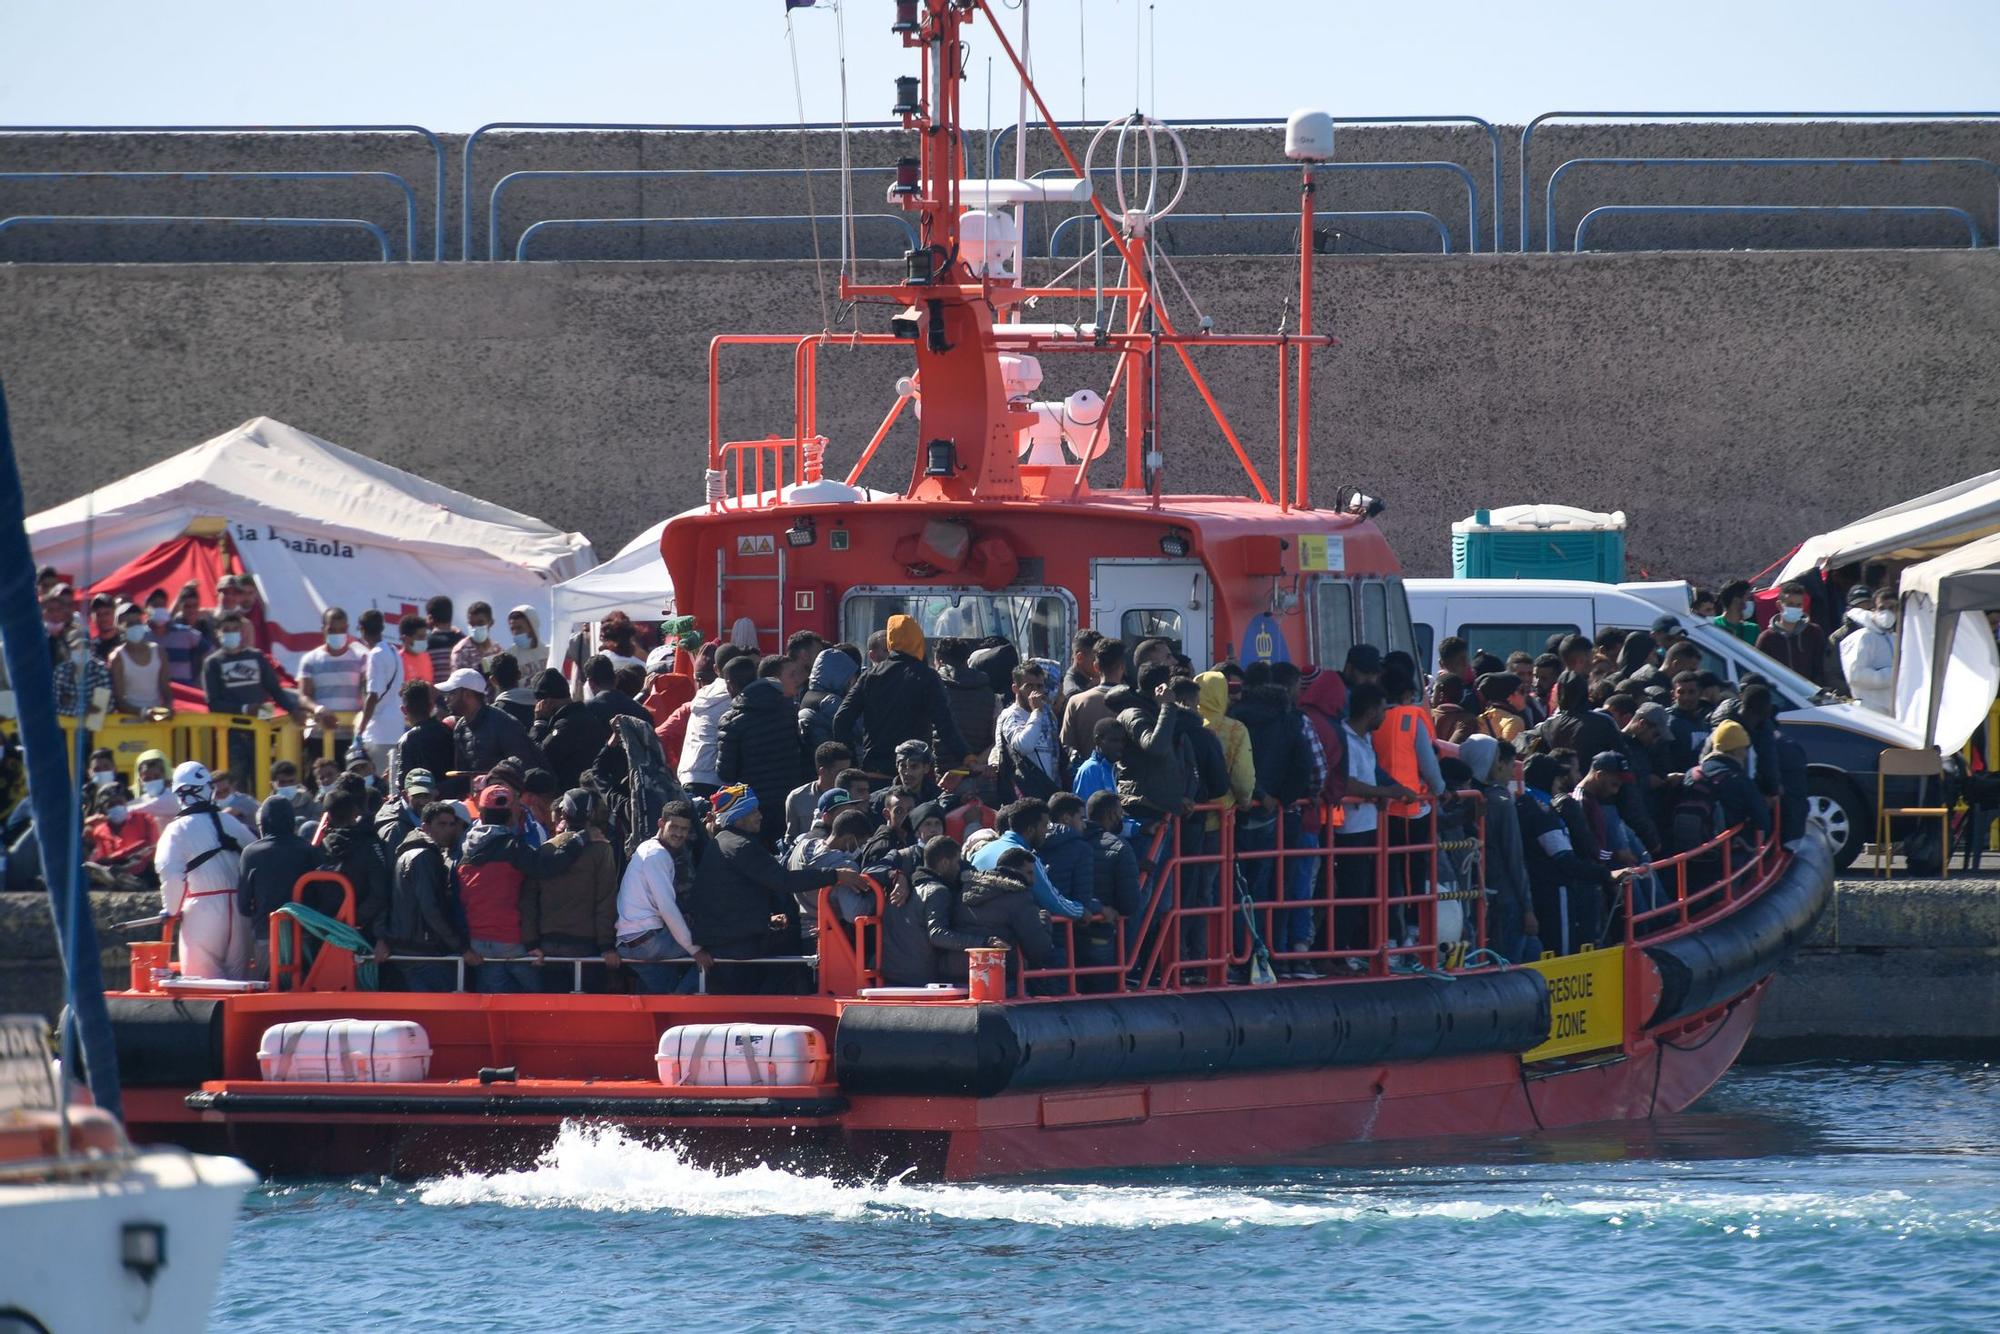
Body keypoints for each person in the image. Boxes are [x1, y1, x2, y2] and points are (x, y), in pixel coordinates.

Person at [683, 784, 862, 994]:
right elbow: (783, 880)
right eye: (753, 812)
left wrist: (765, 920)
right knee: (793, 943)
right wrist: (836, 875)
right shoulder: (741, 846)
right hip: (735, 945)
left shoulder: (723, 841)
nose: (760, 816)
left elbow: (733, 896)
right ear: (739, 818)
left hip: (726, 938)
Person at [454, 783, 591, 993]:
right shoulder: (513, 847)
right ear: (512, 814)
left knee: (496, 1002)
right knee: (538, 1000)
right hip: (512, 943)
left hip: (478, 944)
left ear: (480, 812)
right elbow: (546, 867)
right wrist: (579, 840)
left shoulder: (463, 849)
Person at [832, 615, 975, 775]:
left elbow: (841, 719)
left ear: (890, 641)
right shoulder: (927, 676)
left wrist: (851, 763)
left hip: (875, 770)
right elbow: (945, 724)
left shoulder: (869, 676)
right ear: (918, 640)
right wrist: (967, 758)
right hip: (914, 773)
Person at [155, 761, 258, 980]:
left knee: (202, 985)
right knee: (240, 984)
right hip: (241, 911)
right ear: (209, 788)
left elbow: (171, 874)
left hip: (203, 912)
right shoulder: (232, 823)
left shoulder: (176, 830)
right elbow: (255, 855)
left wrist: (171, 909)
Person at [520, 789, 621, 991]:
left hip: (548, 946)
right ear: (591, 814)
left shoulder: (546, 848)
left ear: (563, 814)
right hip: (586, 946)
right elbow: (606, 900)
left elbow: (528, 901)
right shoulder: (602, 850)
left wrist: (531, 943)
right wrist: (607, 946)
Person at [1516, 753, 1615, 957]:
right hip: (1552, 889)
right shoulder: (1542, 813)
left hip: (1535, 886)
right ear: (1547, 779)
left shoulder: (1522, 803)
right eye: (1557, 778)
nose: (1560, 783)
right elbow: (1565, 861)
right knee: (1561, 949)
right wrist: (1606, 875)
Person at [616, 801, 713, 993]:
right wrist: (695, 950)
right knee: (715, 947)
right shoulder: (657, 855)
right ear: (661, 823)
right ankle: (680, 1000)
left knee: (654, 991)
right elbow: (667, 907)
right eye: (674, 827)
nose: (679, 834)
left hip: (631, 941)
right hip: (649, 942)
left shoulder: (646, 848)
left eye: (684, 829)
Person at [1458, 736, 1539, 963]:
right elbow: (1514, 856)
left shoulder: (1462, 798)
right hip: (1505, 897)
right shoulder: (1501, 802)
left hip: (1474, 892)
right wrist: (1528, 907)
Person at [717, 655, 810, 847]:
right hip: (788, 798)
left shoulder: (732, 719)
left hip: (753, 805)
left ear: (730, 685)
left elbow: (726, 772)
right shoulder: (788, 710)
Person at [880, 835, 993, 987]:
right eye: (957, 862)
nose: (960, 868)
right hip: (922, 979)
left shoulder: (902, 889)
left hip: (892, 975)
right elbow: (938, 935)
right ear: (945, 863)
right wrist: (982, 942)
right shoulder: (939, 892)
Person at [384, 800, 473, 991]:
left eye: (451, 824)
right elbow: (431, 908)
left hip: (409, 947)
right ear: (425, 826)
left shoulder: (410, 852)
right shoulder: (425, 857)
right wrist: (460, 947)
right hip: (423, 950)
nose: (448, 829)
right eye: (441, 824)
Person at [235, 794, 316, 966]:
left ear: (263, 823)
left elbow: (243, 906)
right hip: (306, 935)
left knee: (267, 984)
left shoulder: (251, 853)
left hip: (267, 936)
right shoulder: (309, 850)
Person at [443, 666, 546, 781]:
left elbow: (526, 768)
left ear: (467, 694)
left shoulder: (504, 724)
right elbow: (461, 777)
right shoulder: (460, 728)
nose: (446, 699)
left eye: (451, 693)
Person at [317, 789, 392, 945]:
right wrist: (354, 918)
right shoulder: (370, 844)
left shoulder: (319, 849)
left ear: (329, 817)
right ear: (355, 811)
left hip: (325, 932)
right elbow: (380, 892)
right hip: (362, 935)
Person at [297, 607, 368, 760]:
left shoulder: (361, 657)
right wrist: (318, 709)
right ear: (323, 629)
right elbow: (303, 697)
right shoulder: (310, 659)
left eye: (341, 630)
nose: (337, 634)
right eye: (332, 630)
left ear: (347, 629)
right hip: (318, 735)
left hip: (351, 736)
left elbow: (366, 692)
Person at [677, 649, 745, 794]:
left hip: (689, 773)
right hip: (715, 778)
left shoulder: (702, 695)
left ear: (716, 668)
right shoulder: (734, 696)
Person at [992, 662, 1062, 800]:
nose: (1035, 692)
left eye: (1039, 686)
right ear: (1015, 689)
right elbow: (1024, 746)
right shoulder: (1011, 715)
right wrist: (1036, 712)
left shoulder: (1047, 714)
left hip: (1050, 790)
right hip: (1024, 792)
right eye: (1029, 686)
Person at [353, 609, 406, 781]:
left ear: (361, 629)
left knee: (376, 780)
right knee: (391, 780)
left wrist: (360, 729)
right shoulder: (393, 651)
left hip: (378, 731)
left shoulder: (375, 655)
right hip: (396, 725)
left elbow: (373, 695)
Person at [1059, 638, 1129, 762]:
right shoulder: (1133, 702)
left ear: (1096, 666)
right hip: (1126, 778)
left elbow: (1066, 745)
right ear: (1123, 667)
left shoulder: (1076, 702)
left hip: (1090, 777)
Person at [1753, 580, 1831, 686]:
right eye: (1790, 604)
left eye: (1798, 605)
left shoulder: (1814, 633)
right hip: (1781, 696)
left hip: (1812, 696)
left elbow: (1822, 668)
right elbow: (1761, 672)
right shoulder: (1766, 638)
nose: (1795, 608)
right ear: (1779, 605)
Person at [83, 784, 159, 890]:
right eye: (111, 804)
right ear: (104, 809)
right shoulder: (99, 830)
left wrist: (116, 858)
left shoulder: (144, 820)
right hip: (114, 872)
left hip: (143, 871)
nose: (116, 807)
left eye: (119, 802)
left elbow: (151, 845)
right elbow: (99, 859)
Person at [1839, 588, 1899, 715]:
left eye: (1892, 608)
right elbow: (1855, 676)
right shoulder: (1863, 637)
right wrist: (1895, 674)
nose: (1887, 612)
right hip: (1870, 711)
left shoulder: (1894, 638)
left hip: (1892, 710)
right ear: (1873, 610)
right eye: (1882, 608)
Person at [797, 645, 862, 755]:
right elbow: (859, 729)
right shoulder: (831, 701)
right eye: (852, 678)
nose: (853, 684)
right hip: (839, 760)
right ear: (842, 676)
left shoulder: (808, 696)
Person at [108, 603, 171, 715]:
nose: (135, 627)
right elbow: (119, 700)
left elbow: (165, 689)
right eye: (130, 624)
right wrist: (144, 713)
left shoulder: (159, 652)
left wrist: (166, 708)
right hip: (130, 723)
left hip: (156, 721)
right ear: (120, 628)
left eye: (138, 622)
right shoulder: (117, 658)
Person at [786, 741, 854, 845]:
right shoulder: (797, 798)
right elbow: (791, 838)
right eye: (841, 772)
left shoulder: (852, 794)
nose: (845, 776)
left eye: (847, 771)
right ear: (823, 771)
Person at [1069, 717, 1125, 804]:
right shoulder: (1091, 770)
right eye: (1114, 740)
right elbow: (1088, 813)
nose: (1120, 746)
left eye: (1122, 741)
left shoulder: (1111, 768)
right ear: (1098, 741)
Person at [129, 749, 180, 825]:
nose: (152, 780)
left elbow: (150, 805)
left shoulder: (175, 797)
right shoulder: (139, 798)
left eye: (157, 777)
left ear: (164, 776)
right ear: (140, 781)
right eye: (147, 778)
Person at [449, 602, 501, 672]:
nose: (475, 627)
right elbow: (458, 680)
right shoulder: (461, 650)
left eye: (480, 623)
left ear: (491, 623)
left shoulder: (497, 650)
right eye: (472, 624)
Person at [423, 596, 463, 680]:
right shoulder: (464, 641)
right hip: (461, 692)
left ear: (430, 617)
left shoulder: (424, 643)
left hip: (434, 692)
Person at [1710, 579, 1759, 646]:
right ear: (1736, 601)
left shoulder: (1753, 629)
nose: (1751, 602)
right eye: (1748, 598)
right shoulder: (1712, 625)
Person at [504, 605, 547, 675]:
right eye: (512, 629)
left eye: (519, 628)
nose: (515, 632)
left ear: (532, 627)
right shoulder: (509, 658)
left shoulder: (549, 652)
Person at [397, 613, 435, 687]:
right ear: (406, 639)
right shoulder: (398, 660)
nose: (424, 640)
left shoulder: (426, 657)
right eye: (420, 637)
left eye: (425, 636)